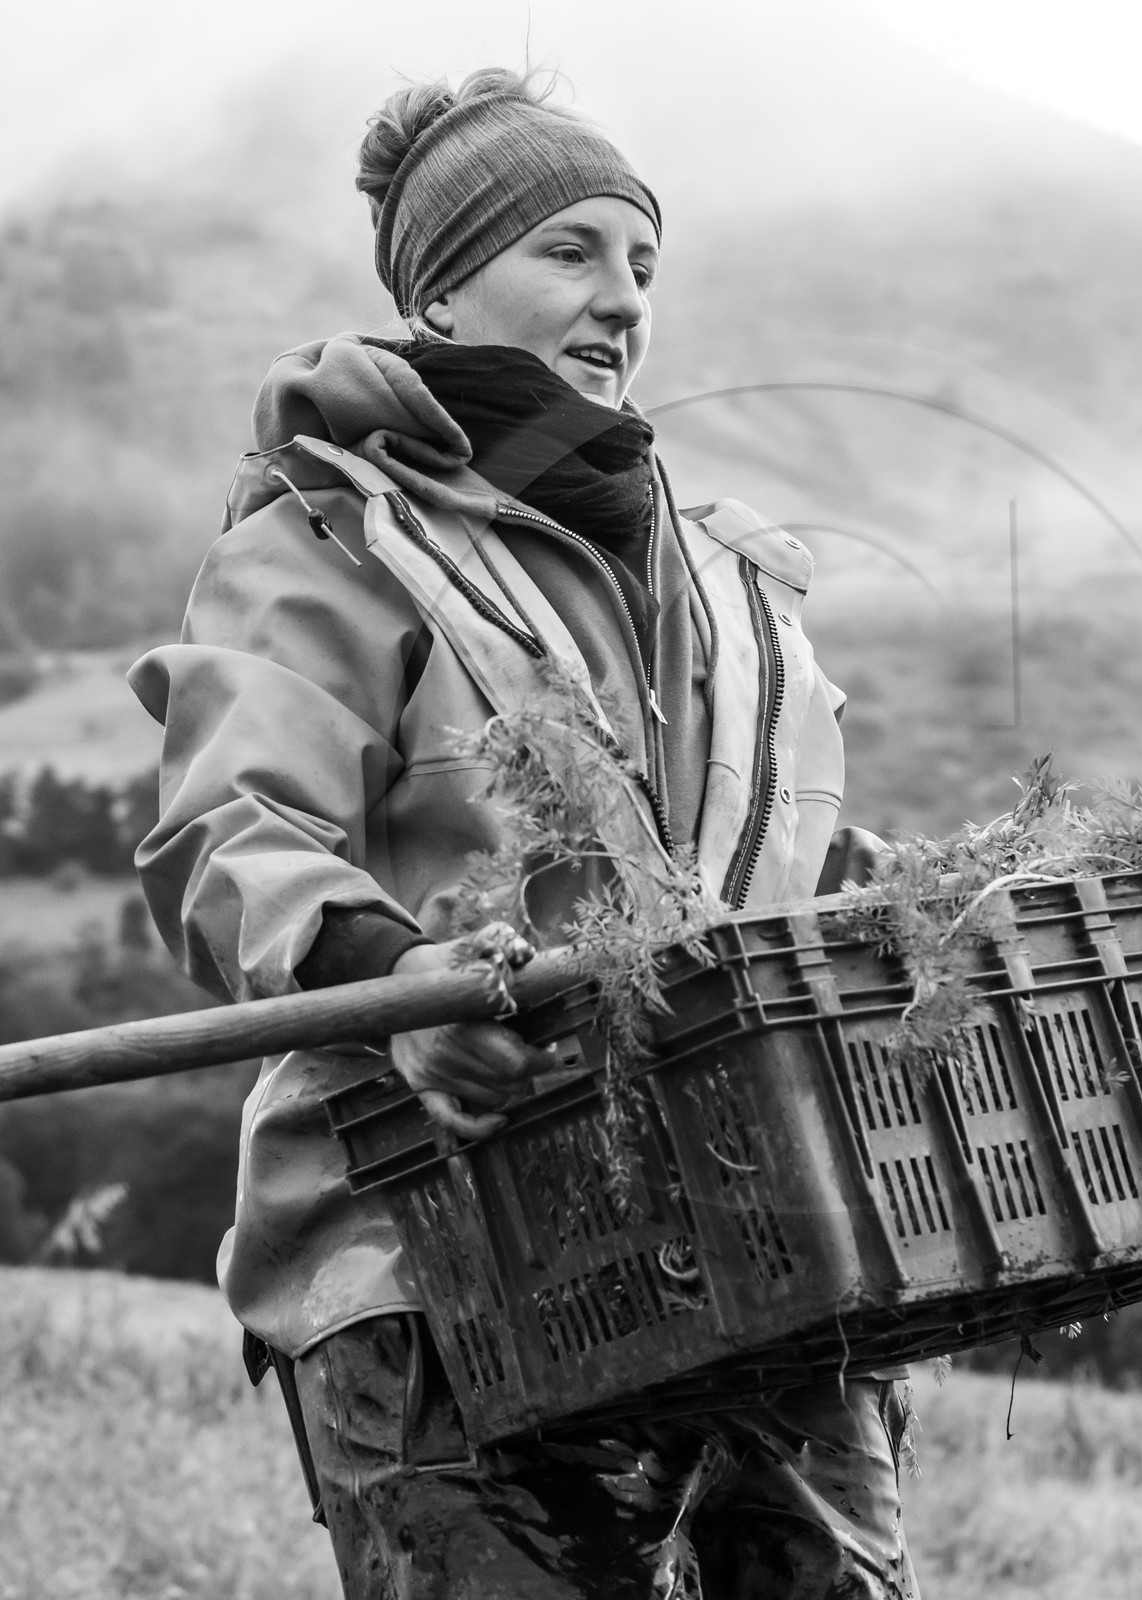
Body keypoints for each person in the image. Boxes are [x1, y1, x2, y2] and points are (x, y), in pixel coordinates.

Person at [130, 67, 916, 1600]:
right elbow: (230, 824)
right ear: (440, 289)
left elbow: (773, 859)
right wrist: (399, 991)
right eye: (570, 251)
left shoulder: (732, 586)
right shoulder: (328, 538)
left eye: (641, 262)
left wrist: (888, 908)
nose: (622, 297)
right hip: (435, 1260)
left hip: (753, 1244)